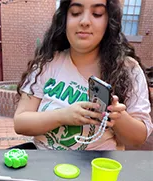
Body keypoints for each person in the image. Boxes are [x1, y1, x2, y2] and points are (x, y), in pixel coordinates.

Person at [13, 0, 153, 150]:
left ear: (109, 22)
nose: (85, 21)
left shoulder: (128, 70)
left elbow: (138, 138)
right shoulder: (47, 63)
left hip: (96, 169)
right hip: (44, 165)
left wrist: (117, 116)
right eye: (75, 13)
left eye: (97, 14)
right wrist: (62, 116)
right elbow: (20, 123)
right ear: (64, 19)